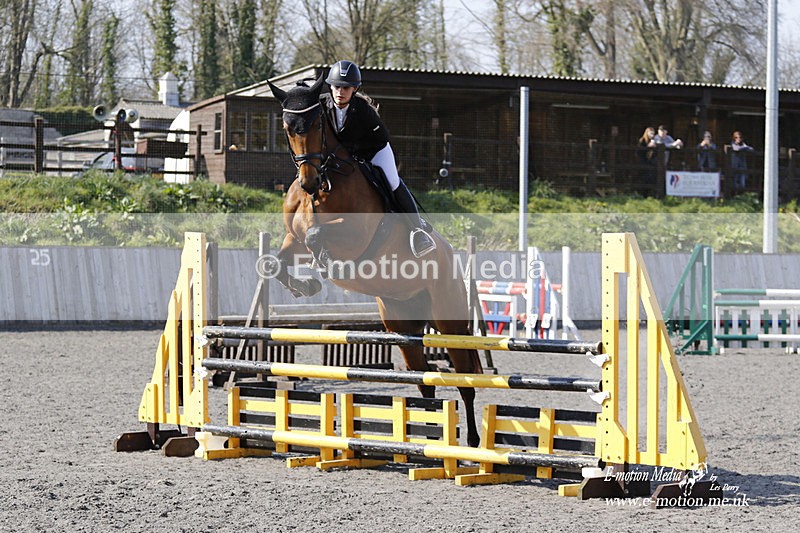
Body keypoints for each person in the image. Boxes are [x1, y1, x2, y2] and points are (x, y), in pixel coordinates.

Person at [321, 60, 436, 257]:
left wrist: (355, 151)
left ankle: (417, 231)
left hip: (375, 151)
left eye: (346, 88)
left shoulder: (363, 109)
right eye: (337, 86)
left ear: (355, 89)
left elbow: (381, 138)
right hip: (342, 157)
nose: (340, 92)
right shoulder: (322, 104)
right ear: (330, 86)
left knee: (392, 181)